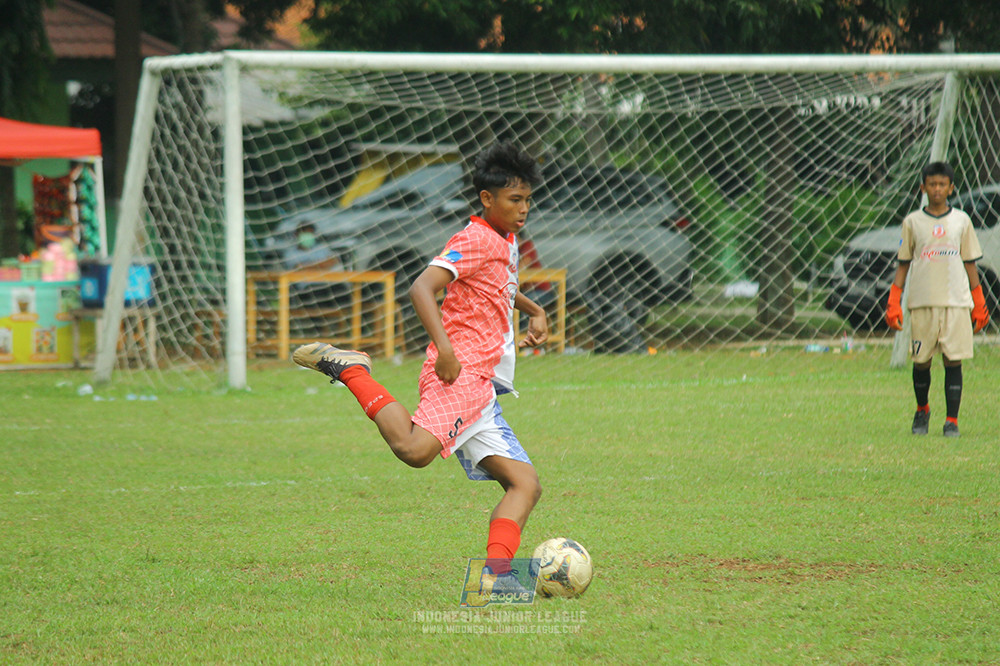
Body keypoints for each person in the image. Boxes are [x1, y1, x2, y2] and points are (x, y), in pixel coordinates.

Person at [293, 140, 547, 593]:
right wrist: (445, 349)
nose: (524, 208)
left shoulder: (504, 238)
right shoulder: (472, 238)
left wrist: (533, 309)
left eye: (528, 199)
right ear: (487, 199)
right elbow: (421, 288)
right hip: (462, 371)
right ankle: (351, 369)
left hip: (482, 384)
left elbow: (500, 284)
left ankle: (498, 579)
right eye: (515, 200)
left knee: (525, 484)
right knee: (414, 451)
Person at [885, 161, 990, 437]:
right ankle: (922, 410)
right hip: (922, 301)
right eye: (932, 184)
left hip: (956, 300)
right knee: (921, 361)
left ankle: (952, 420)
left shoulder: (961, 221)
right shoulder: (912, 222)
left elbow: (970, 262)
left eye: (942, 184)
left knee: (954, 361)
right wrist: (894, 299)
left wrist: (979, 302)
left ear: (951, 188)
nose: (937, 189)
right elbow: (904, 263)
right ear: (923, 187)